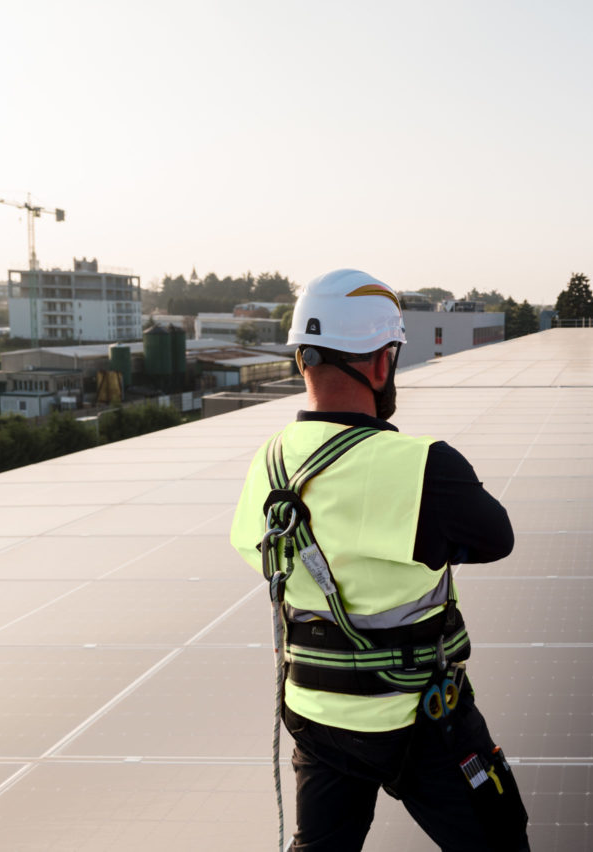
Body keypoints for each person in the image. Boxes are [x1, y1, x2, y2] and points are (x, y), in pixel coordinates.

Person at [230, 269, 529, 851]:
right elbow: (497, 538)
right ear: (378, 363)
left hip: (316, 716)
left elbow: (258, 554)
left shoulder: (269, 463)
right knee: (499, 840)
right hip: (419, 718)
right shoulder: (423, 467)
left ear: (302, 360)